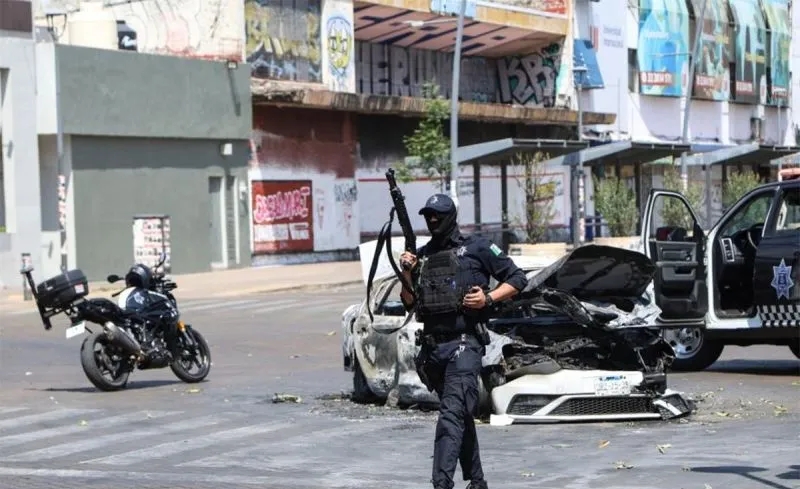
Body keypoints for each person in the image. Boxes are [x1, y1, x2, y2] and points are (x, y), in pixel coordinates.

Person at [398, 193, 528, 489]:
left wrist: (488, 298)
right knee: (459, 416)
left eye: (437, 215)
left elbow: (518, 278)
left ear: (451, 217)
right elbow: (408, 302)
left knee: (450, 417)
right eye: (428, 216)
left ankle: (441, 484)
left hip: (465, 346)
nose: (432, 220)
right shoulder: (423, 256)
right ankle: (477, 482)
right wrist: (406, 270)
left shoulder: (478, 247)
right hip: (434, 352)